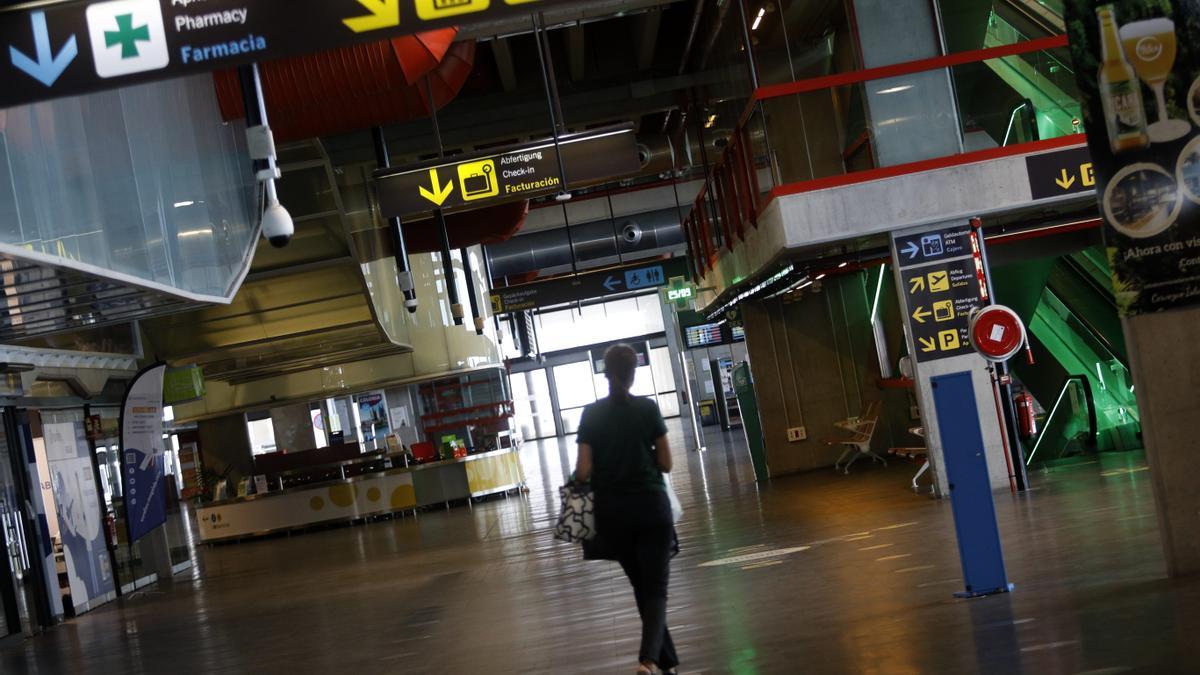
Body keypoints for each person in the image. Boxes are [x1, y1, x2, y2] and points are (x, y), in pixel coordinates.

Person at [574, 344, 678, 674]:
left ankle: (668, 663)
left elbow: (582, 471)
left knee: (642, 588)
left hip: (613, 515)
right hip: (652, 509)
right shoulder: (648, 409)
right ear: (634, 373)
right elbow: (666, 462)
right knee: (656, 589)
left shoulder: (590, 414)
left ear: (605, 373)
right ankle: (647, 661)